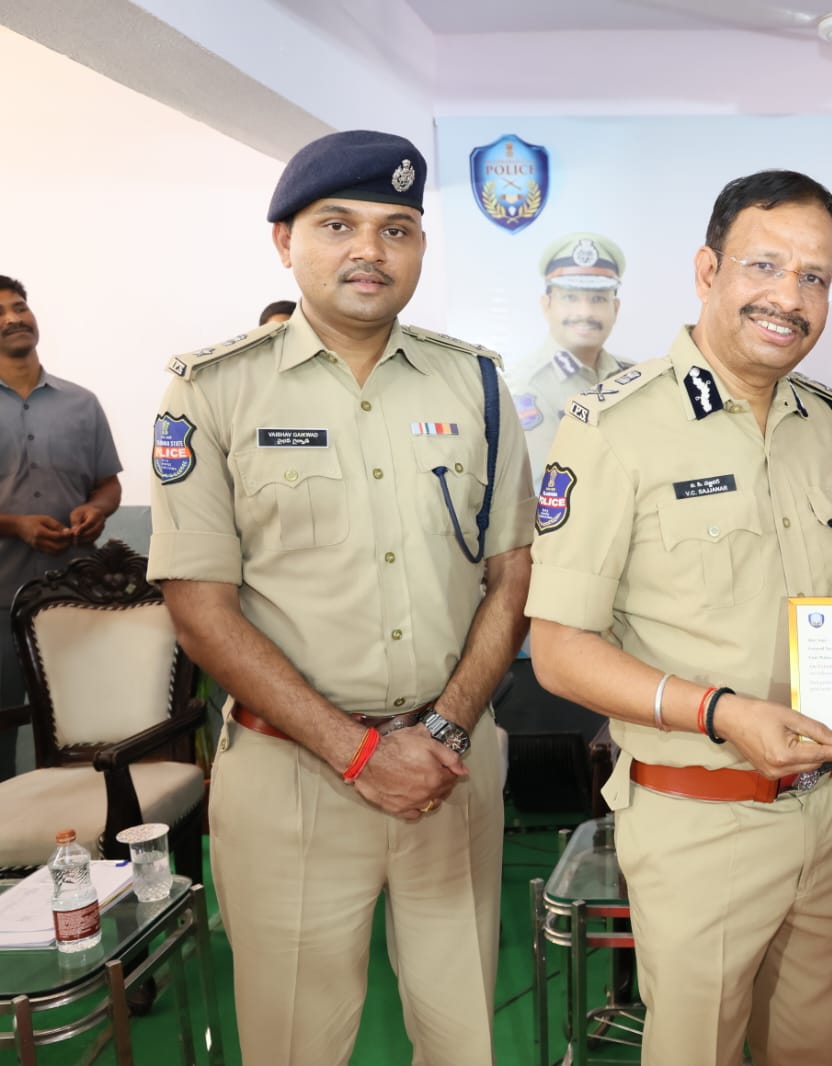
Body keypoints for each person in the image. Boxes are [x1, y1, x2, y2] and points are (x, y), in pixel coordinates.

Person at [525, 170, 832, 1066]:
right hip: (702, 821)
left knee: (819, 1049)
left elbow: (824, 573)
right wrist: (722, 712)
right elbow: (560, 649)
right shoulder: (616, 426)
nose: (789, 297)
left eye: (814, 277)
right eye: (764, 265)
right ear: (708, 270)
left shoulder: (825, 422)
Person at [147, 130, 535, 1065]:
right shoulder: (213, 390)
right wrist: (358, 753)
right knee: (294, 1040)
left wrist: (442, 731)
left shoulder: (476, 384)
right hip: (293, 777)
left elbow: (513, 573)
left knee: (463, 1033)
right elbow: (200, 607)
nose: (371, 250)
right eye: (338, 225)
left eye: (397, 229)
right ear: (285, 240)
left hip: (448, 767)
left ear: (420, 247)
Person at [0, 275, 122, 781]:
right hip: (0, 602)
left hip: (76, 598)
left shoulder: (81, 402)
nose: (13, 318)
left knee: (87, 729)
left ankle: (91, 824)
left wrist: (96, 509)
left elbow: (108, 484)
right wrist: (14, 525)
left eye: (19, 307)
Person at [507, 231, 631, 471]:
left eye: (598, 299)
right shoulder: (525, 386)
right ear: (547, 306)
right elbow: (544, 485)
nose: (585, 312)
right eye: (570, 297)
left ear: (615, 308)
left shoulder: (635, 376)